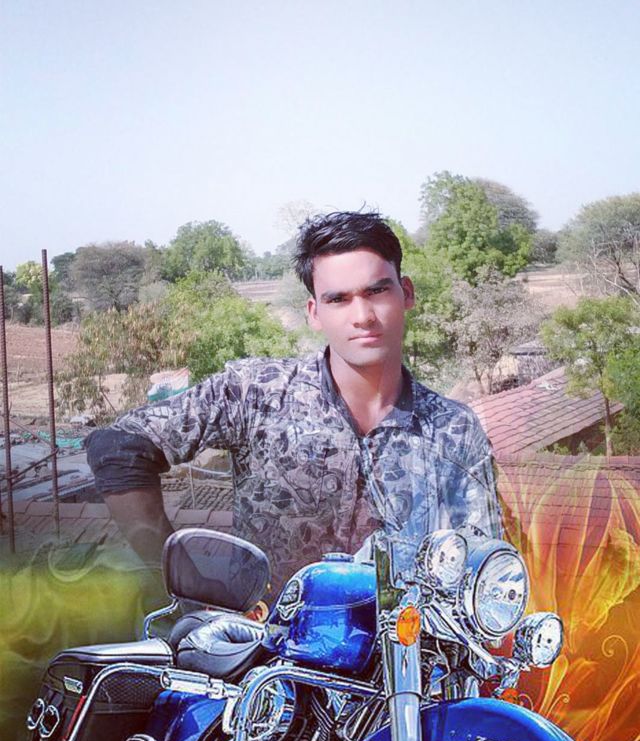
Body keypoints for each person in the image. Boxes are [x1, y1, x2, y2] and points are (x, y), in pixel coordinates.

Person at [87, 211, 501, 596]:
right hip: (266, 647)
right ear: (314, 313)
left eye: (377, 291)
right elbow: (118, 447)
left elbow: (486, 570)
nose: (363, 315)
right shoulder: (255, 393)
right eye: (338, 299)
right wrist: (179, 577)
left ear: (405, 293)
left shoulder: (453, 428)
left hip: (404, 647)